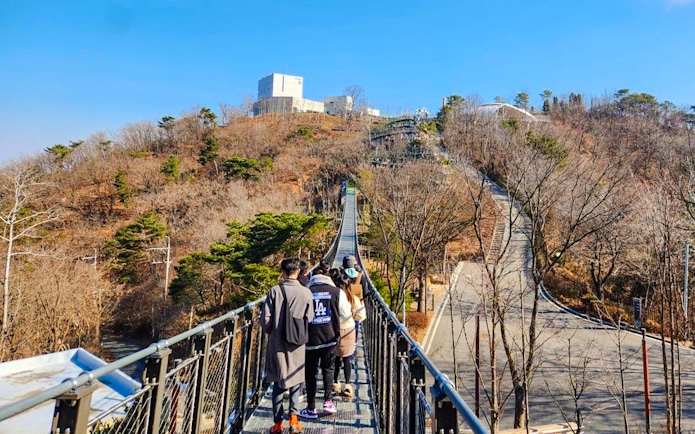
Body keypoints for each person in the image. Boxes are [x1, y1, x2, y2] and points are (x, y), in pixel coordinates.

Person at [261, 258, 314, 434]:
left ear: (282, 272)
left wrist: (273, 331)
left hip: (277, 343)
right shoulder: (306, 293)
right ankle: (294, 419)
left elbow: (265, 321)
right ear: (298, 272)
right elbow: (310, 318)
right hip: (297, 343)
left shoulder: (274, 291)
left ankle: (277, 423)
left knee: (278, 380)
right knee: (296, 379)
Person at [299, 260, 341, 419]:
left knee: (311, 372)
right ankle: (328, 402)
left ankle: (310, 408)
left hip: (309, 338)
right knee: (328, 369)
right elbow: (344, 314)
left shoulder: (306, 291)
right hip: (330, 337)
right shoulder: (336, 291)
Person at [332, 271, 365, 398]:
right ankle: (347, 384)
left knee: (335, 358)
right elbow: (361, 315)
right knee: (346, 358)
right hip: (349, 330)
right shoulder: (353, 298)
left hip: (334, 330)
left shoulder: (334, 297)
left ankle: (335, 382)